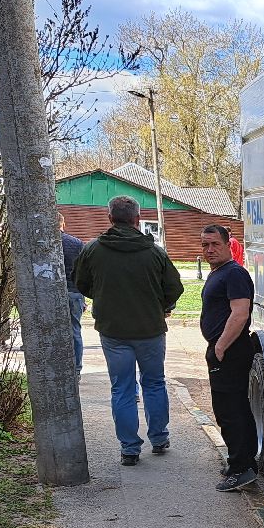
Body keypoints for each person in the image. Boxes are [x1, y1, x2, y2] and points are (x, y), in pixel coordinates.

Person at [73, 196, 183, 466]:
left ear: (110, 218)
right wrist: (163, 306)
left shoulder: (94, 249)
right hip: (150, 329)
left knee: (121, 388)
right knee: (154, 383)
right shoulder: (154, 252)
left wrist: (103, 298)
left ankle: (129, 448)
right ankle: (159, 438)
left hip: (113, 331)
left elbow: (81, 283)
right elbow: (174, 287)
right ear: (137, 218)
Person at [199, 224, 257, 491]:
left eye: (215, 245)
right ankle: (242, 462)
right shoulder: (219, 273)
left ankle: (241, 469)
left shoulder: (234, 274)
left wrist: (220, 347)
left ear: (227, 245)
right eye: (205, 245)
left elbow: (240, 313)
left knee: (231, 411)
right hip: (224, 350)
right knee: (230, 409)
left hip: (231, 351)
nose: (209, 250)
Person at [59, 213, 86, 373]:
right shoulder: (76, 243)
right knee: (75, 330)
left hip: (51, 293)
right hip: (74, 291)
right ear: (63, 224)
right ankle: (76, 369)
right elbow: (83, 271)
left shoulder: (43, 243)